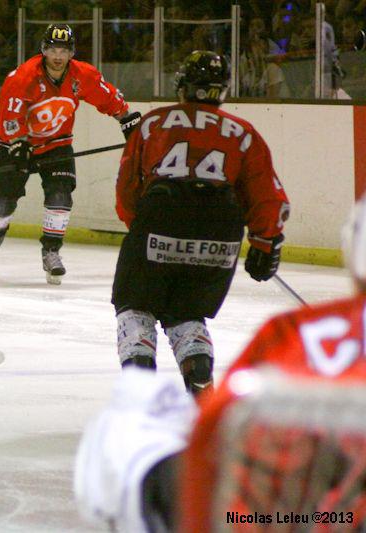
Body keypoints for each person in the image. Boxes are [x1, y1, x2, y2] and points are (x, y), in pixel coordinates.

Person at [74, 196, 366, 532]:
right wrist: (265, 240)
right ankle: (196, 375)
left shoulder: (296, 335)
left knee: (120, 438)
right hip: (216, 237)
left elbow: (217, 442)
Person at [112, 50, 290, 396]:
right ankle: (201, 386)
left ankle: (140, 395)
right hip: (220, 233)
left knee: (135, 305)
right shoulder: (243, 132)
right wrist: (265, 243)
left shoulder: (153, 122)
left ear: (183, 85)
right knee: (187, 312)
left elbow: (127, 191)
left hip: (160, 220)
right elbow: (268, 197)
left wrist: (144, 231)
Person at [0, 24, 141, 285]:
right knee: (1, 203)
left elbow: (107, 97)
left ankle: (51, 251)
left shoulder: (82, 75)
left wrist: (126, 119)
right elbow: (10, 116)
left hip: (57, 143)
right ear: (43, 50)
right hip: (17, 146)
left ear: (71, 53)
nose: (57, 56)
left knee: (60, 197)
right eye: (53, 49)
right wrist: (19, 143)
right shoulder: (22, 77)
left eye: (63, 50)